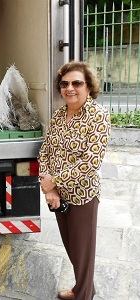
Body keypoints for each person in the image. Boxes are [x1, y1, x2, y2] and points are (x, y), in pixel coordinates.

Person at [38, 61, 111, 300]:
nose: (70, 88)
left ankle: (83, 294)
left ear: (88, 87)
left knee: (82, 251)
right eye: (65, 83)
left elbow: (90, 163)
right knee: (72, 248)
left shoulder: (98, 117)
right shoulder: (59, 115)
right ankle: (84, 286)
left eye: (77, 83)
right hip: (58, 196)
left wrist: (54, 181)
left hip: (82, 197)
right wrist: (50, 188)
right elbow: (45, 152)